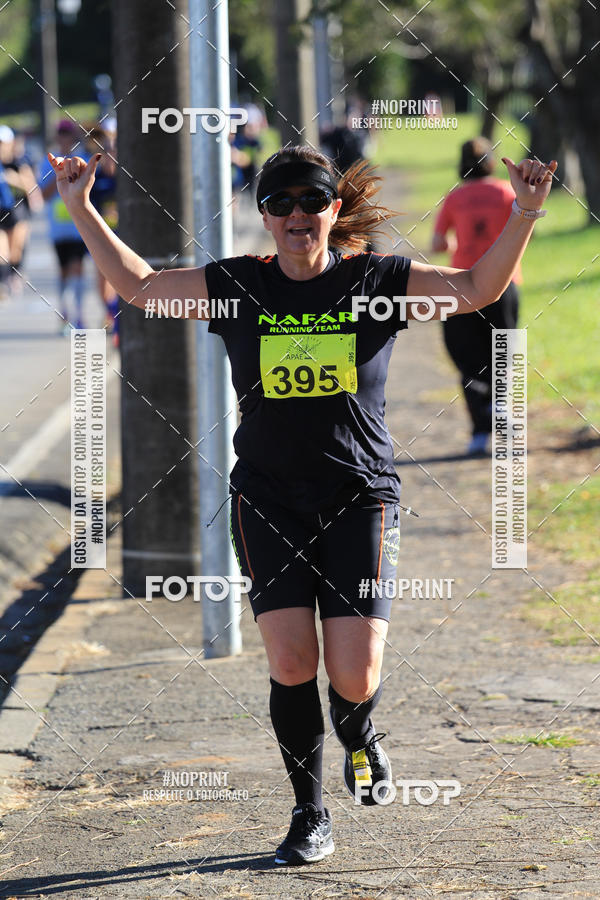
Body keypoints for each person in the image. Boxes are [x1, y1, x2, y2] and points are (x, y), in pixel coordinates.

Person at [47, 142, 556, 865]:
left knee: (355, 676)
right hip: (268, 500)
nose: (297, 214)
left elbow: (475, 288)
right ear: (263, 215)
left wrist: (526, 211)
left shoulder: (377, 281)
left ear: (333, 209)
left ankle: (360, 733)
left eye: (312, 200)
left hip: (360, 497)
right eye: (280, 202)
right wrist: (80, 207)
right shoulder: (238, 286)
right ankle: (309, 813)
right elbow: (141, 287)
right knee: (290, 662)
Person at [432, 137, 523, 455]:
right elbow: (524, 232)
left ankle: (479, 433)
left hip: (464, 285)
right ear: (491, 162)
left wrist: (458, 244)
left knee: (468, 359)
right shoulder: (507, 192)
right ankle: (502, 409)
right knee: (503, 351)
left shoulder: (455, 197)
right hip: (505, 283)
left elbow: (438, 244)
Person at [38, 120, 89, 332]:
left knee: (78, 268)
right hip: (58, 230)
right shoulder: (48, 162)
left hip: (79, 227)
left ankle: (79, 315)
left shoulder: (83, 158)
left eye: (68, 134)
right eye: (61, 134)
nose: (65, 138)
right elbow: (43, 194)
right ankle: (64, 314)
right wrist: (60, 175)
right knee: (63, 272)